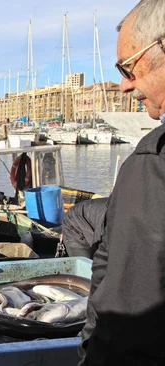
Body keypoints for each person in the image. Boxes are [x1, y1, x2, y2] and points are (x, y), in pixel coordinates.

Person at [81, 1, 165, 364]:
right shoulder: (144, 161)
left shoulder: (149, 166)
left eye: (128, 67)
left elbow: (126, 317)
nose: (125, 84)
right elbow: (107, 261)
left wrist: (89, 351)